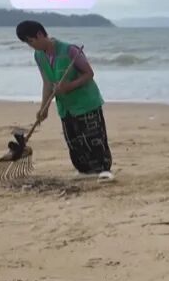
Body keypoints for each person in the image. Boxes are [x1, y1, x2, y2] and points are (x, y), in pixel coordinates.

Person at [15, 20, 114, 180]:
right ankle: (85, 171)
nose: (31, 46)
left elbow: (89, 73)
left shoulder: (70, 50)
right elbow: (47, 82)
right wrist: (43, 108)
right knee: (74, 140)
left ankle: (104, 170)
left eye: (31, 41)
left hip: (86, 102)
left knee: (93, 137)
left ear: (40, 34)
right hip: (66, 106)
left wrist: (70, 86)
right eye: (27, 43)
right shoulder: (39, 56)